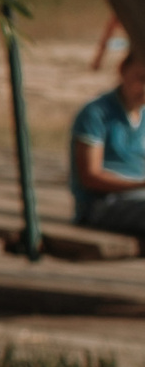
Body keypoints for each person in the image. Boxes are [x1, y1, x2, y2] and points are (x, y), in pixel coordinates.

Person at [71, 40, 145, 237]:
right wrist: (139, 184)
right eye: (141, 79)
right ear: (122, 70)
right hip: (100, 204)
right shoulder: (96, 113)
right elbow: (90, 176)